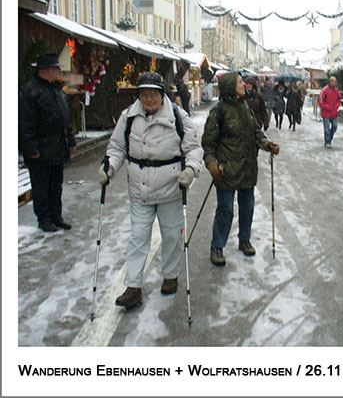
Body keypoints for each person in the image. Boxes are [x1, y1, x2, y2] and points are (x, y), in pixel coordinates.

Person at [96, 71, 203, 310]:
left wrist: (191, 170)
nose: (149, 99)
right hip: (140, 190)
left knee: (173, 236)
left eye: (153, 93)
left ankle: (170, 275)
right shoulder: (129, 117)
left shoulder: (178, 116)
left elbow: (194, 149)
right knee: (138, 237)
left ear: (161, 94)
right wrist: (110, 167)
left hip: (170, 189)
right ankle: (133, 287)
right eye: (144, 94)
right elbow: (116, 147)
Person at [201, 72, 280, 267]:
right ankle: (217, 246)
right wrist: (211, 164)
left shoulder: (246, 107)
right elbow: (208, 144)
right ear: (229, 86)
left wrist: (267, 144)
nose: (243, 84)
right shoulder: (218, 112)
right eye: (239, 82)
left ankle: (244, 239)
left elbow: (256, 132)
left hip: (247, 168)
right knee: (225, 209)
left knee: (247, 208)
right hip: (226, 170)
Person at [19, 52, 77, 232]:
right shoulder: (30, 91)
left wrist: (71, 141)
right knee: (41, 187)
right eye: (56, 68)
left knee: (55, 185)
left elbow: (65, 119)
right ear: (45, 70)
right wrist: (31, 149)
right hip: (40, 150)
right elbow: (24, 123)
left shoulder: (57, 90)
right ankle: (43, 218)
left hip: (57, 147)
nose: (59, 71)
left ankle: (56, 216)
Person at [318, 76, 342, 148]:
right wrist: (326, 107)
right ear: (331, 82)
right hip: (326, 112)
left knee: (335, 126)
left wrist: (336, 106)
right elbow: (320, 101)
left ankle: (329, 139)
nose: (336, 83)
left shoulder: (336, 91)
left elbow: (339, 98)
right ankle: (327, 141)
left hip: (334, 112)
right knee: (327, 128)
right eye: (334, 81)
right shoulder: (325, 90)